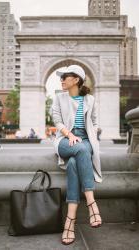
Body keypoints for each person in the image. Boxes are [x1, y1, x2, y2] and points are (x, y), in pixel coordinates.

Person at [52, 65, 102, 245]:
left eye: (65, 77)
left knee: (74, 163)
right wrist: (70, 135)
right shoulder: (59, 98)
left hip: (85, 140)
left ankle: (69, 222)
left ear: (76, 80)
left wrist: (93, 137)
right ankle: (91, 203)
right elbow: (56, 121)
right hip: (65, 139)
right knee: (80, 150)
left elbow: (95, 123)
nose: (62, 80)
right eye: (62, 77)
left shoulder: (90, 99)